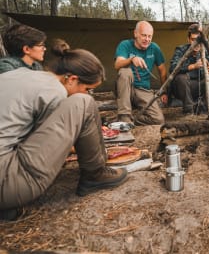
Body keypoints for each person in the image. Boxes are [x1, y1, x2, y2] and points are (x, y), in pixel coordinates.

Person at [0, 35, 128, 221]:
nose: (89, 93)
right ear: (71, 79)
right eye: (88, 88)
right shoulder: (53, 91)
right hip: (6, 179)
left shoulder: (20, 74)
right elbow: (51, 148)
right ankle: (95, 174)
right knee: (84, 103)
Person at [114, 21, 168, 125]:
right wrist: (131, 59)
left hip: (143, 90)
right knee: (125, 71)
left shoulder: (154, 48)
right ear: (135, 33)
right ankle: (124, 116)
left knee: (158, 119)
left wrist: (163, 91)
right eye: (144, 35)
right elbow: (117, 65)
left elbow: (162, 70)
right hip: (125, 88)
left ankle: (129, 120)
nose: (147, 39)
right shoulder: (125, 45)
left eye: (149, 36)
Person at [169, 23, 209, 114]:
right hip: (182, 88)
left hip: (200, 87)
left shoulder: (206, 53)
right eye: (193, 40)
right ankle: (189, 110)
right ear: (188, 39)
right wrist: (193, 66)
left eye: (199, 40)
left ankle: (201, 107)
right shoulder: (181, 50)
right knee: (181, 78)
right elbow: (172, 68)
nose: (196, 44)